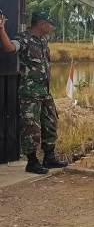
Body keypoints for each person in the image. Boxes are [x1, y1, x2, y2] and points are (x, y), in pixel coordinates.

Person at [0, 11, 67, 174]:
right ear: (42, 23)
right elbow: (9, 47)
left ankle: (49, 158)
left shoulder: (43, 40)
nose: (51, 27)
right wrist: (1, 28)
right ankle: (32, 162)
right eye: (49, 23)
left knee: (51, 122)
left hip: (45, 91)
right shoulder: (24, 38)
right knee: (31, 127)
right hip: (30, 93)